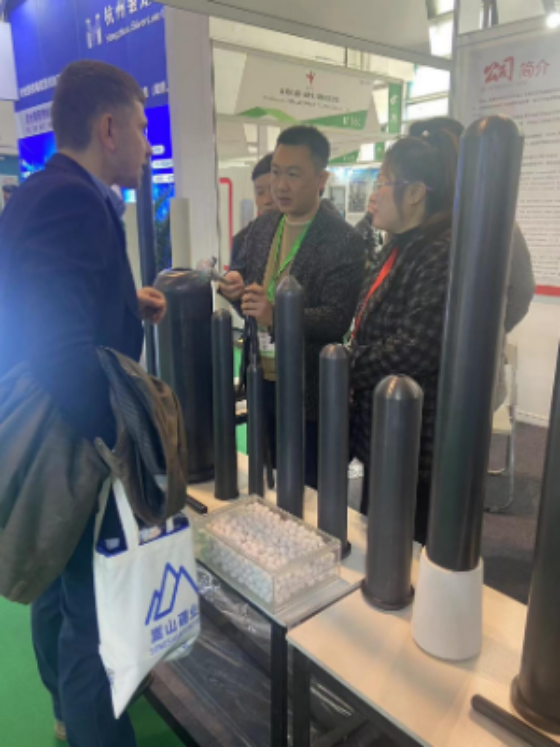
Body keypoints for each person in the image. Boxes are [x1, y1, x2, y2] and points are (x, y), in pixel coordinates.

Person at [0, 60, 167, 746]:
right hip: (69, 430)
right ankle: (91, 726)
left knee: (56, 574)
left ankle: (67, 715)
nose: (148, 144)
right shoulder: (70, 202)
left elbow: (49, 303)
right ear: (108, 128)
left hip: (53, 420)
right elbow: (60, 347)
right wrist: (114, 438)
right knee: (92, 614)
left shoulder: (48, 192)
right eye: (141, 128)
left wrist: (124, 302)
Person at [221, 126, 364, 489]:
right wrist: (235, 289)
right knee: (265, 477)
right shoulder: (263, 227)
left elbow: (336, 318)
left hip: (308, 387)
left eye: (294, 174)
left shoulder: (343, 239)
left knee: (307, 487)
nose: (280, 186)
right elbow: (248, 290)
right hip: (260, 378)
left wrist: (277, 315)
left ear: (321, 179)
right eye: (276, 173)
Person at [349, 129, 459, 544]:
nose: (374, 194)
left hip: (414, 435)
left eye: (383, 181)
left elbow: (417, 348)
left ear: (414, 193)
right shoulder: (398, 246)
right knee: (376, 537)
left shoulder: (437, 252)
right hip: (383, 428)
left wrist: (345, 364)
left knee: (403, 547)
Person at [409, 116, 535, 406]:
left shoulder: (492, 221)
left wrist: (482, 330)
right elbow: (522, 290)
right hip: (436, 377)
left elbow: (521, 290)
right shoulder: (413, 224)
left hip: (458, 377)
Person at [230, 153, 275, 270]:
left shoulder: (301, 236)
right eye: (260, 193)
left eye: (273, 190)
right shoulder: (242, 240)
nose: (267, 200)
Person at [354, 192, 381, 266]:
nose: (376, 207)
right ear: (369, 205)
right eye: (373, 202)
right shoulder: (363, 226)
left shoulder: (375, 225)